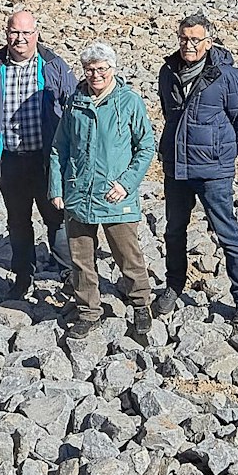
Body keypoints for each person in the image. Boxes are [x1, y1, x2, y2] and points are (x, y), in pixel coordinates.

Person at [49, 43, 157, 342]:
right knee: (81, 258)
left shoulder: (129, 102)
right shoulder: (75, 103)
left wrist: (126, 183)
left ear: (113, 69)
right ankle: (88, 312)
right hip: (79, 193)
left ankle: (140, 303)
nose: (95, 75)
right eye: (89, 69)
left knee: (127, 254)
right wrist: (56, 187)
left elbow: (146, 146)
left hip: (115, 194)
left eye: (101, 69)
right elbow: (60, 147)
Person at [157, 12, 238, 326]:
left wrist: (223, 155)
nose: (188, 45)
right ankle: (173, 286)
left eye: (195, 40)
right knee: (173, 231)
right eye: (184, 38)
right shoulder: (167, 71)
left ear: (208, 42)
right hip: (177, 168)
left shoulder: (227, 76)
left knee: (227, 233)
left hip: (215, 171)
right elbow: (170, 116)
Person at [0, 10, 77, 299]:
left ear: (36, 34)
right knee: (17, 220)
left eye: (25, 33)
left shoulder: (54, 66)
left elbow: (72, 109)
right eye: (13, 32)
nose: (19, 39)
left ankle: (68, 272)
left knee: (56, 217)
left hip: (47, 158)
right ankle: (23, 276)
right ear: (6, 33)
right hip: (9, 159)